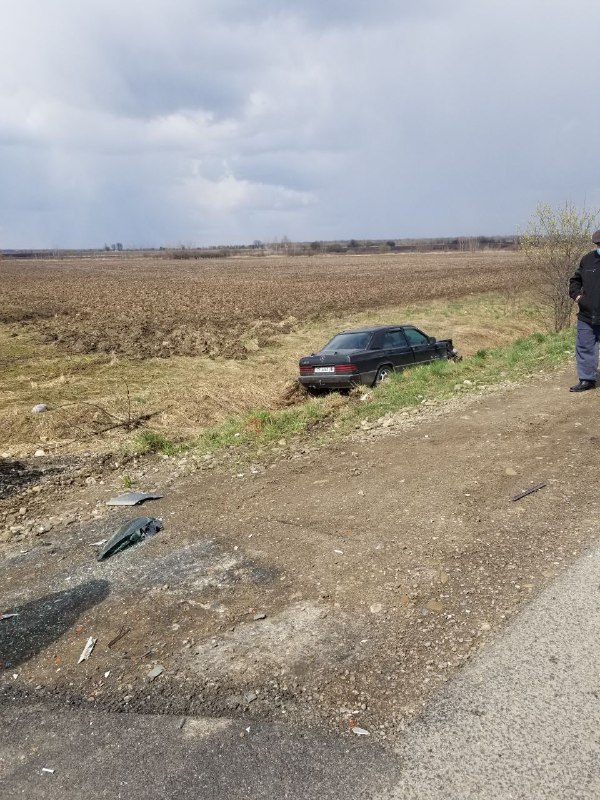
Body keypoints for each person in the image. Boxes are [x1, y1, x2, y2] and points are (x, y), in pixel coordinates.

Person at [568, 229, 600, 392]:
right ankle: (587, 379)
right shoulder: (587, 259)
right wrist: (578, 297)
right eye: (598, 244)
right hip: (587, 314)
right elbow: (575, 281)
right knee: (585, 347)